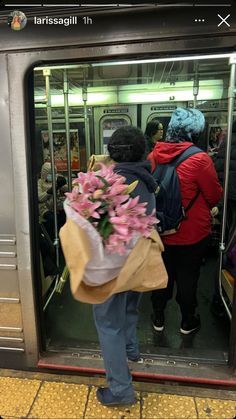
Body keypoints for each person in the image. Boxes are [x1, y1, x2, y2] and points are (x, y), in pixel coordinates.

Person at [93, 126, 157, 406]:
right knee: (130, 308)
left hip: (112, 265)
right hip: (139, 260)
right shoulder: (147, 180)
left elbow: (95, 226)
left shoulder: (111, 184)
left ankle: (120, 390)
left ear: (112, 152)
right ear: (143, 151)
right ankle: (131, 351)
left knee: (108, 324)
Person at [148, 107, 223, 335]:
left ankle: (158, 317)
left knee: (162, 276)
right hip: (192, 232)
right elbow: (213, 195)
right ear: (195, 131)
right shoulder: (200, 159)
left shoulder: (153, 156)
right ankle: (187, 321)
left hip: (161, 230)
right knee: (188, 277)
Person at [38, 162, 67, 240]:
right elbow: (40, 198)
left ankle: (62, 240)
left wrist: (63, 183)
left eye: (53, 173)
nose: (52, 175)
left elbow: (67, 189)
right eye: (49, 174)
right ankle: (52, 241)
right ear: (44, 173)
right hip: (45, 209)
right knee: (51, 220)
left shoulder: (57, 179)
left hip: (56, 207)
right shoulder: (40, 183)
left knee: (65, 217)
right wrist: (51, 190)